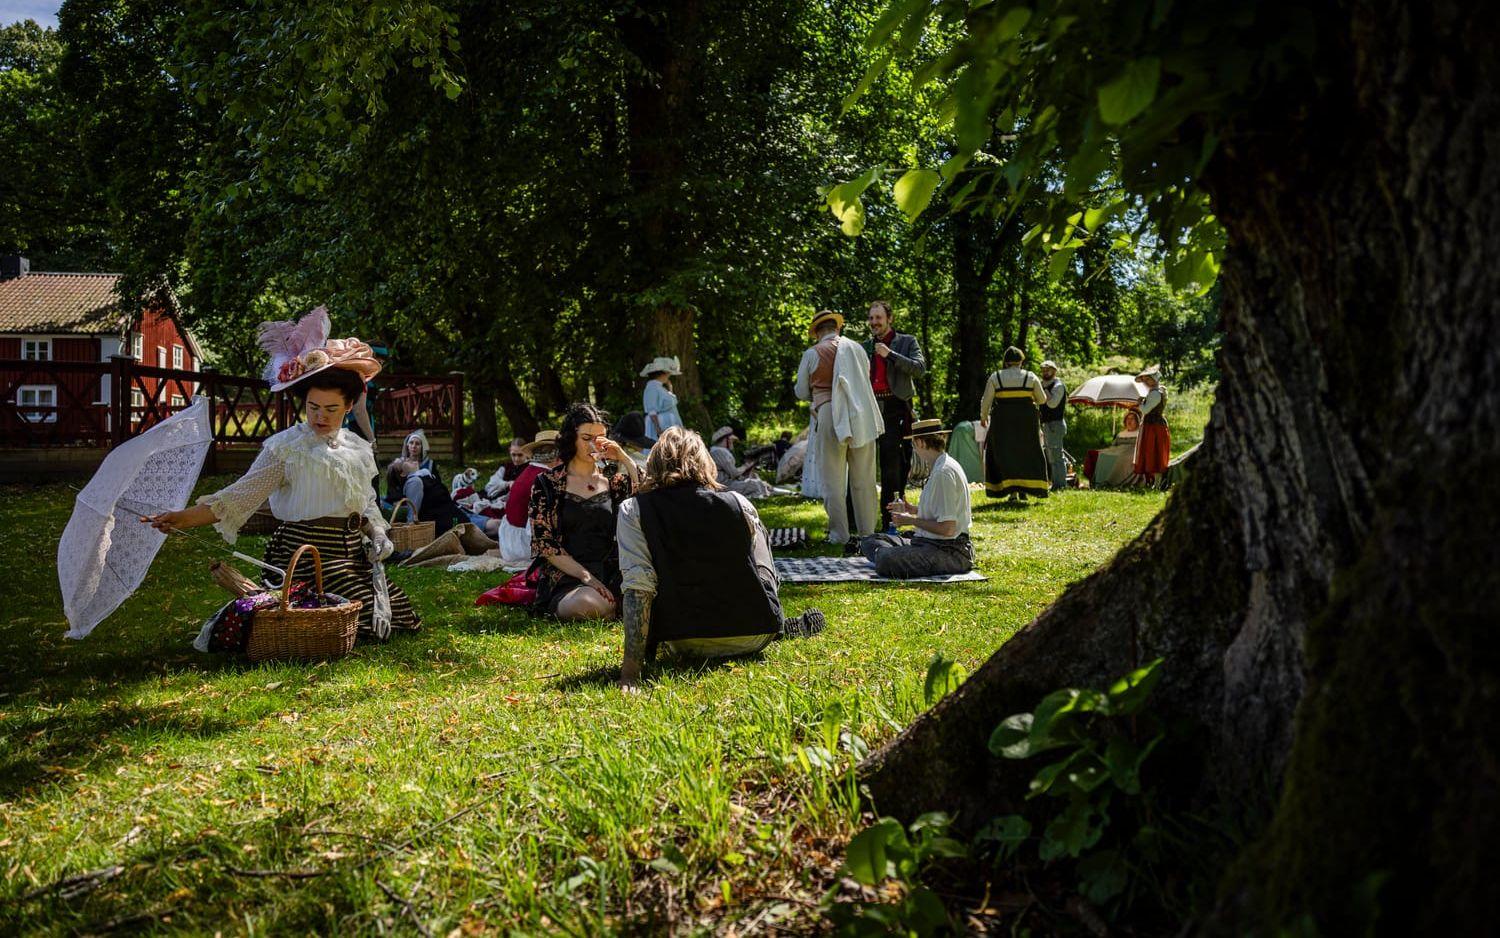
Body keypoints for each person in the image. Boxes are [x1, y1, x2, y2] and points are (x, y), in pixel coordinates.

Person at [141, 308, 418, 639]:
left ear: (348, 407)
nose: (320, 416)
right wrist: (184, 518)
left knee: (402, 618)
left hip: (351, 556)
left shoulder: (357, 448)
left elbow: (366, 503)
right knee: (361, 624)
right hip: (306, 557)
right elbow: (240, 495)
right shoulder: (286, 448)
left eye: (331, 409)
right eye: (313, 407)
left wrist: (378, 535)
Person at [617, 427, 827, 691]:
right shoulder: (739, 502)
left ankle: (775, 621)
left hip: (683, 639)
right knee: (757, 542)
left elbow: (639, 588)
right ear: (705, 461)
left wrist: (630, 673)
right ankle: (778, 621)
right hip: (756, 632)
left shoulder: (633, 509)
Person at [529, 403, 640, 620]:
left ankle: (613, 607)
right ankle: (614, 609)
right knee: (584, 604)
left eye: (600, 438)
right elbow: (545, 544)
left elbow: (644, 500)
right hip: (568, 575)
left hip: (613, 572)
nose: (594, 446)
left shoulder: (615, 482)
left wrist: (624, 459)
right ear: (571, 438)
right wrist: (587, 577)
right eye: (586, 438)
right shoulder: (547, 483)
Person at [794, 309, 883, 549]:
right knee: (864, 477)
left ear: (817, 333)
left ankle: (839, 534)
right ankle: (867, 532)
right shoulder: (857, 349)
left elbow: (801, 391)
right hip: (859, 412)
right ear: (838, 328)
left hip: (829, 412)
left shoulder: (813, 353)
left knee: (833, 478)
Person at [860, 419, 975, 578]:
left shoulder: (943, 473)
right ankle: (897, 553)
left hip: (949, 551)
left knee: (885, 558)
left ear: (920, 442)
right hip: (928, 543)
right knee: (869, 541)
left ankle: (893, 555)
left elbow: (948, 529)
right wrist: (911, 509)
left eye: (913, 444)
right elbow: (940, 511)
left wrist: (911, 520)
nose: (914, 449)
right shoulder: (940, 466)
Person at [864, 300, 927, 530]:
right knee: (878, 465)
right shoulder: (865, 346)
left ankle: (892, 518)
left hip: (897, 406)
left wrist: (890, 354)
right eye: (871, 318)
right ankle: (877, 518)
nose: (874, 323)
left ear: (889, 319)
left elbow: (919, 369)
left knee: (897, 465)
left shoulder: (906, 341)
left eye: (878, 318)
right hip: (871, 408)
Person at [979, 346, 1050, 502]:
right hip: (1026, 421)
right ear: (1021, 361)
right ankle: (1025, 489)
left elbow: (987, 401)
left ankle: (1012, 492)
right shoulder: (1030, 377)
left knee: (1005, 454)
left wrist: (983, 417)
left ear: (1005, 362)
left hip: (1003, 421)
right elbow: (1042, 399)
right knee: (1027, 453)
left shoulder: (995, 377)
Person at [387, 457, 498, 536]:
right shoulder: (414, 481)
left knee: (498, 524)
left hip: (456, 513)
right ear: (402, 473)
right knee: (497, 526)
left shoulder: (425, 475)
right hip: (450, 523)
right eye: (404, 461)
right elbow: (413, 514)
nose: (408, 459)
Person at [497, 430, 559, 567]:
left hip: (509, 541)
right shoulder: (545, 478)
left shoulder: (530, 470)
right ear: (556, 456)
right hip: (522, 547)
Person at [709, 426, 776, 498]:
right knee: (755, 484)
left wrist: (748, 468)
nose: (733, 442)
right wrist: (746, 466)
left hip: (726, 483)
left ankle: (777, 492)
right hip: (723, 486)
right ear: (727, 439)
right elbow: (734, 473)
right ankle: (758, 497)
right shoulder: (719, 452)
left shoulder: (719, 451)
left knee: (755, 479)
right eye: (732, 440)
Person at [1133, 367, 1171, 484]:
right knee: (1150, 452)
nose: (1145, 382)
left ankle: (1157, 482)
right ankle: (1152, 481)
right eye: (1144, 380)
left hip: (1154, 427)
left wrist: (1140, 403)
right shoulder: (1157, 391)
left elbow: (1145, 410)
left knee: (1154, 451)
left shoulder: (1155, 393)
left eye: (1147, 379)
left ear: (1154, 378)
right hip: (1152, 425)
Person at [1039, 360, 1068, 491]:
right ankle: (1056, 484)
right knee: (1051, 456)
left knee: (1057, 456)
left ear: (1054, 371)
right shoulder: (1042, 385)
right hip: (1047, 424)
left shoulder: (1058, 386)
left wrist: (1043, 390)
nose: (1045, 372)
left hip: (1056, 424)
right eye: (1043, 370)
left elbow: (1052, 404)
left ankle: (1060, 485)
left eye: (1048, 370)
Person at [640, 356, 684, 442]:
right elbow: (652, 410)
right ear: (664, 373)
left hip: (668, 424)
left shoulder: (659, 387)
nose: (669, 375)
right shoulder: (652, 386)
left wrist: (670, 388)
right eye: (669, 373)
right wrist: (658, 429)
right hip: (661, 425)